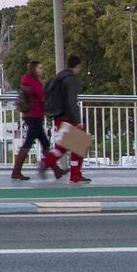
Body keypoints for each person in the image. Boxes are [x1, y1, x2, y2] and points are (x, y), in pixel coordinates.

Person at [39, 55, 90, 184]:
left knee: (65, 146)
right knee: (78, 145)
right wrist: (78, 121)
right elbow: (72, 101)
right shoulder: (71, 80)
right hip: (69, 117)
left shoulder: (60, 77)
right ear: (78, 66)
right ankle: (74, 174)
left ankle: (48, 163)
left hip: (59, 116)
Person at [10, 60, 50, 180]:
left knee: (43, 142)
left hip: (33, 115)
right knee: (32, 142)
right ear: (34, 69)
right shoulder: (33, 82)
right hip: (34, 115)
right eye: (40, 68)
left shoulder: (29, 81)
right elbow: (41, 95)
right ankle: (16, 171)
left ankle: (54, 168)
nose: (42, 70)